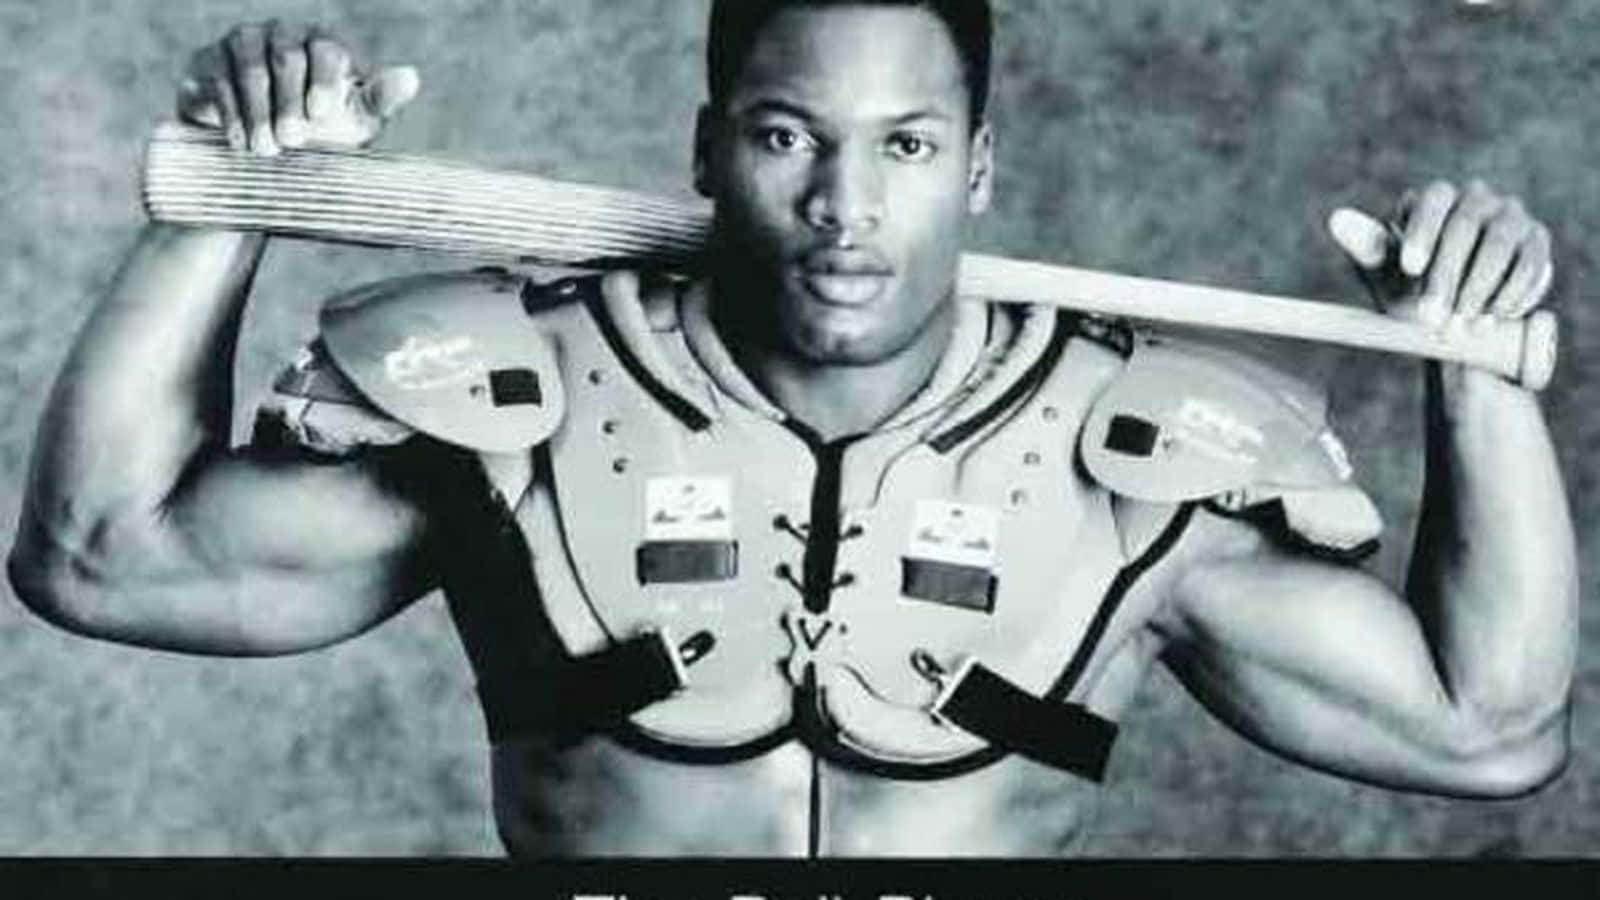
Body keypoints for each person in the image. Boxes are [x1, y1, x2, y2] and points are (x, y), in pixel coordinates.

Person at [7, 1, 1576, 858]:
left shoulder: (1129, 458)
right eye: (785, 136)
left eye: (904, 145)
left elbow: (1483, 728)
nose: (844, 209)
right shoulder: (517, 408)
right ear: (708, 149)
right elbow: (103, 561)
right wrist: (234, 196)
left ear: (974, 168)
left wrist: (1475, 373)